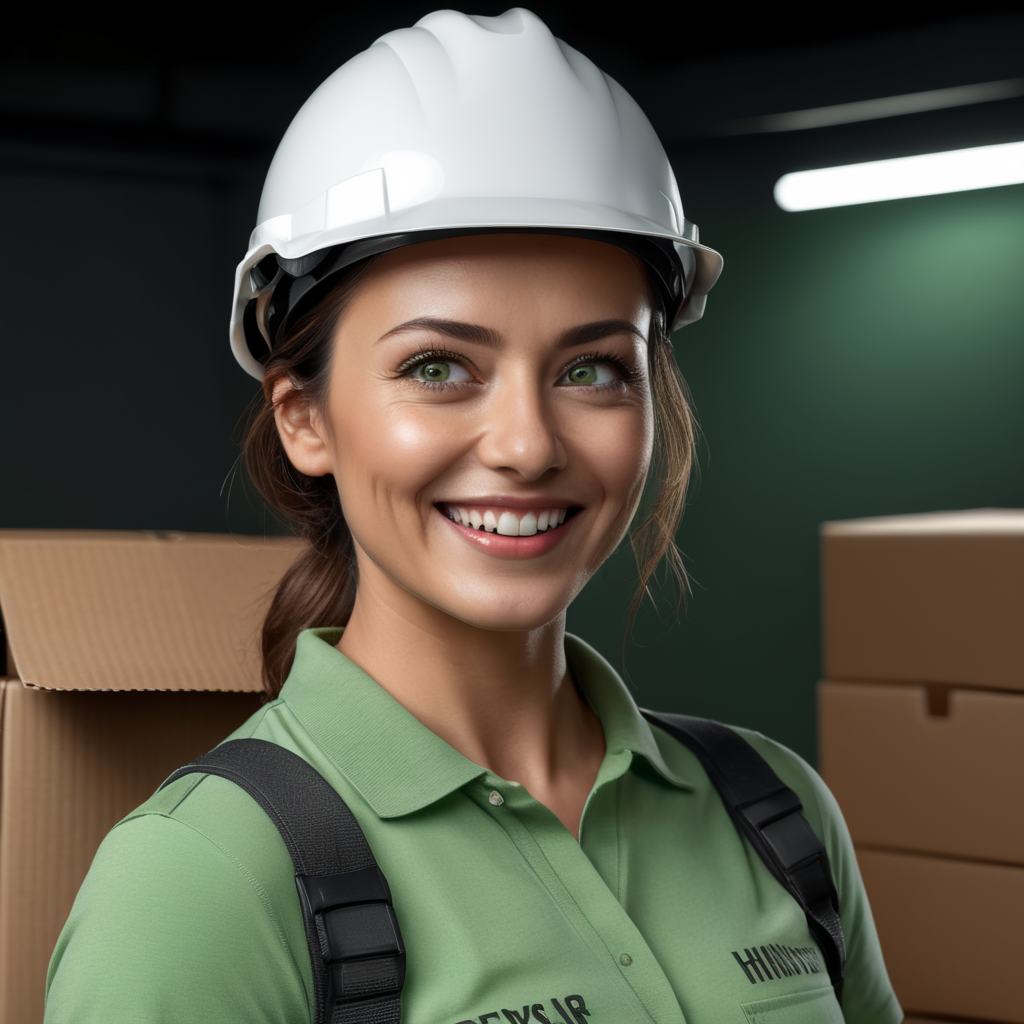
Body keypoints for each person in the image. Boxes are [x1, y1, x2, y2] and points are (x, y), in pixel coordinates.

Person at [45, 9, 902, 1024]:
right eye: (437, 367)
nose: (528, 444)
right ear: (304, 419)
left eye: (591, 369)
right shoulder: (200, 882)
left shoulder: (777, 811)